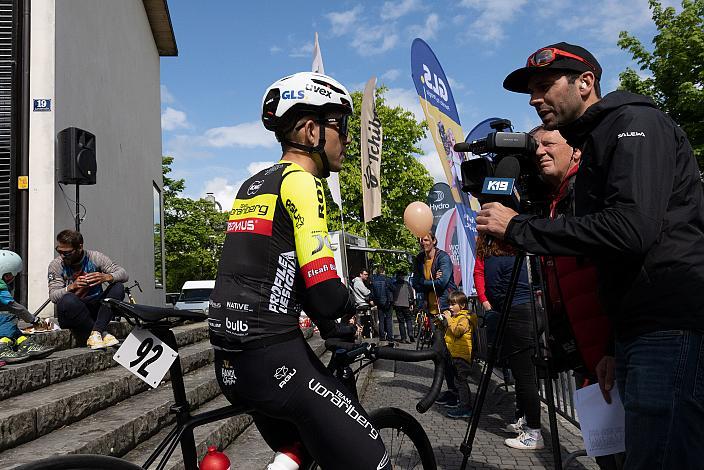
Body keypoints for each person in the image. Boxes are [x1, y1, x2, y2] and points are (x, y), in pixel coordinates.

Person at [478, 42, 704, 467]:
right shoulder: (602, 136)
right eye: (531, 91)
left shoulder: (633, 123)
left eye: (544, 85)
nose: (534, 99)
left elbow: (631, 229)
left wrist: (519, 227)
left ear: (585, 83)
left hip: (669, 326)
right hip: (640, 330)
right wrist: (613, 347)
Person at [207, 72, 390, 470]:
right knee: (374, 459)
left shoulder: (253, 183)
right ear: (311, 131)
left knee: (300, 451)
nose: (346, 138)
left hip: (230, 362)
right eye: (340, 126)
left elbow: (280, 270)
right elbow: (324, 291)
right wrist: (352, 305)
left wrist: (329, 326)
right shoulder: (304, 184)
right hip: (272, 360)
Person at [475, 234, 544, 450]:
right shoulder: (519, 255)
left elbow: (494, 293)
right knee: (526, 375)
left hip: (515, 316)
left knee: (524, 377)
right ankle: (526, 423)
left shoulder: (494, 260)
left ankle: (534, 432)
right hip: (531, 312)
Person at [48, 229, 127, 349]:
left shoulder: (95, 257)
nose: (62, 256)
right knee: (68, 299)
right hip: (71, 311)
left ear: (79, 248)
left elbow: (123, 274)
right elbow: (53, 296)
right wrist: (71, 287)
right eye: (59, 251)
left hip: (94, 307)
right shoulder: (56, 265)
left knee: (118, 287)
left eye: (67, 253)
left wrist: (107, 277)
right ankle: (101, 332)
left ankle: (96, 332)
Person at [412, 231, 458, 406]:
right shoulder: (419, 259)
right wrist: (430, 281)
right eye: (421, 240)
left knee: (451, 352)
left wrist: (425, 283)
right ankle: (451, 390)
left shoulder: (443, 258)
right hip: (432, 312)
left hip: (446, 309)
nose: (423, 243)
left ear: (433, 240)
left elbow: (443, 282)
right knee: (440, 352)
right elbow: (415, 282)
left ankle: (458, 393)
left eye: (426, 239)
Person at [0, 250, 54, 363]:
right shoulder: (1, 290)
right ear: (6, 275)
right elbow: (16, 307)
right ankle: (2, 345)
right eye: (13, 275)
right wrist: (33, 319)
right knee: (8, 316)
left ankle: (23, 342)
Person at [441, 290, 477, 419]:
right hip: (455, 354)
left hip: (462, 356)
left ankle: (465, 407)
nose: (450, 307)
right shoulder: (456, 317)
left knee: (461, 381)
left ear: (462, 305)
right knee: (458, 381)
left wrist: (449, 319)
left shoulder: (464, 318)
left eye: (453, 304)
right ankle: (461, 403)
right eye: (449, 304)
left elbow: (457, 331)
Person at [370, 266, 394, 343]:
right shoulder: (388, 279)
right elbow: (394, 289)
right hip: (388, 302)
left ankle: (382, 336)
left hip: (379, 302)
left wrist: (373, 300)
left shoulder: (374, 281)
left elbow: (372, 293)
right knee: (389, 319)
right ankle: (389, 337)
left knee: (381, 320)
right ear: (384, 271)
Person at [351, 269, 375, 338]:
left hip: (362, 302)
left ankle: (369, 331)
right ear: (360, 274)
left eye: (367, 275)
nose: (366, 276)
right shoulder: (358, 282)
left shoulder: (359, 282)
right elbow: (366, 292)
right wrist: (370, 291)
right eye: (365, 274)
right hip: (362, 303)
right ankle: (368, 332)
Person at [392, 271, 414, 343]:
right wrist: (411, 303)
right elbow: (411, 294)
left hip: (397, 305)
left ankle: (403, 338)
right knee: (408, 320)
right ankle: (410, 333)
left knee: (401, 322)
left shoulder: (394, 284)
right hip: (406, 304)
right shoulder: (406, 284)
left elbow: (392, 295)